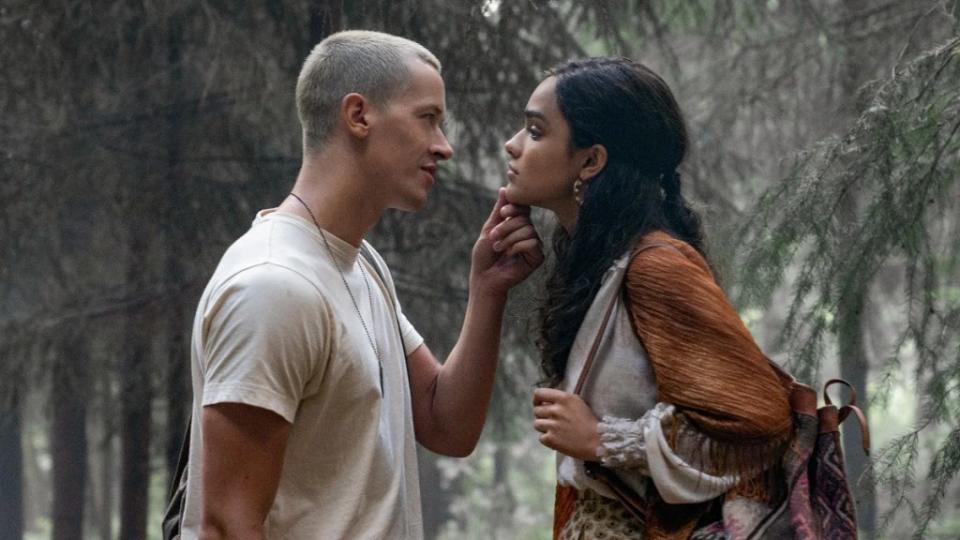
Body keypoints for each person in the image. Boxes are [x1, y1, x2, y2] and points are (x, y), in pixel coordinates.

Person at [179, 30, 543, 539]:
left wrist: (487, 288)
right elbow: (227, 524)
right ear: (358, 115)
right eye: (428, 118)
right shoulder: (273, 286)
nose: (445, 147)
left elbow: (446, 424)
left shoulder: (359, 263)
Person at [497, 57, 794, 538]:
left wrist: (603, 440)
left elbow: (758, 418)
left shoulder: (655, 265)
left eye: (535, 131)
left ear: (591, 161)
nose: (512, 145)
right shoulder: (601, 263)